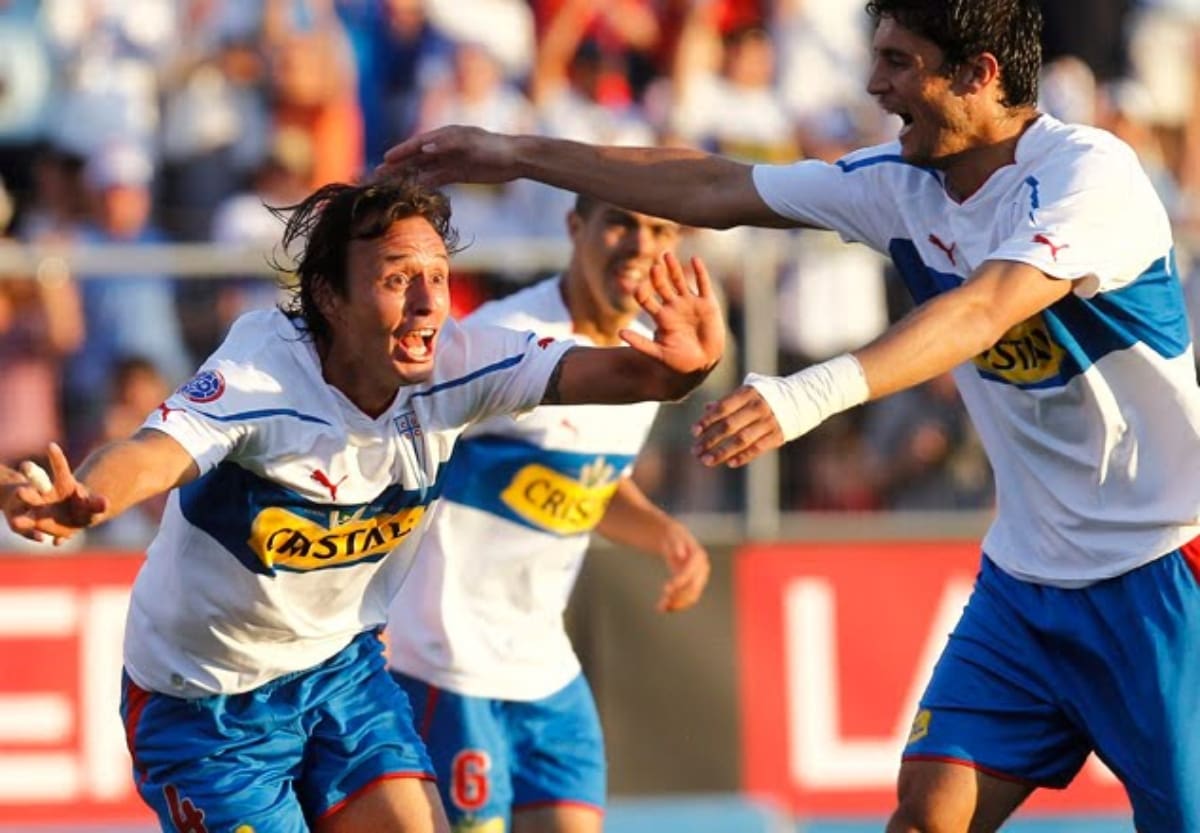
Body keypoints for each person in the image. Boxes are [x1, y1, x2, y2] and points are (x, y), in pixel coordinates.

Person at [377, 1, 1200, 830]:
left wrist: (804, 394)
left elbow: (984, 309)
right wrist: (517, 153)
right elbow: (713, 183)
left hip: (1163, 568)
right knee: (925, 814)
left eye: (900, 63)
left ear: (980, 74)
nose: (875, 85)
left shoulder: (1089, 175)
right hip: (1026, 582)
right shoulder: (900, 184)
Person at [0, 176, 723, 833]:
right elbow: (154, 451)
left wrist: (684, 370)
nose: (428, 301)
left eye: (437, 277)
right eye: (398, 277)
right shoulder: (262, 371)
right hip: (204, 706)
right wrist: (88, 499)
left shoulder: (461, 367)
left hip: (339, 674)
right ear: (330, 297)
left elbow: (626, 372)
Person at [386, 193, 711, 833]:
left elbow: (590, 481)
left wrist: (665, 534)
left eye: (657, 226)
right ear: (574, 226)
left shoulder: (651, 354)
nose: (640, 243)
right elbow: (397, 455)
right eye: (620, 221)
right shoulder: (500, 339)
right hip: (452, 664)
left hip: (546, 669)